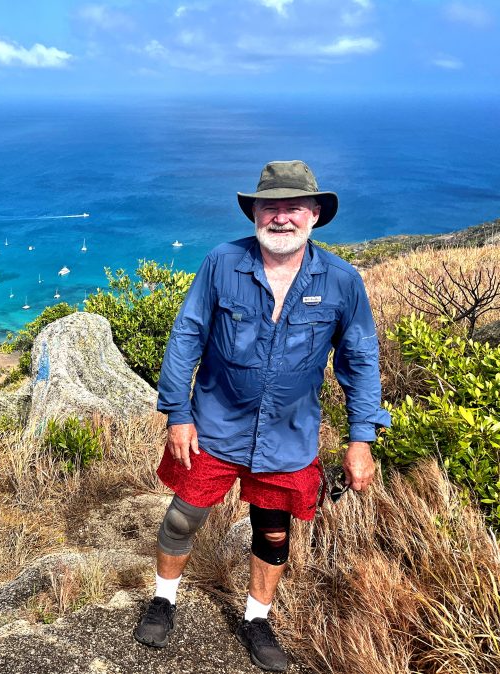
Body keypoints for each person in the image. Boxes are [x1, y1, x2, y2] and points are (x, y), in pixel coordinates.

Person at [134, 160, 391, 672]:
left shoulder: (342, 280)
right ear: (254, 212)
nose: (280, 218)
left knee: (273, 531)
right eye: (269, 206)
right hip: (213, 424)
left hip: (288, 436)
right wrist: (177, 412)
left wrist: (361, 440)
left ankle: (257, 618)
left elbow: (360, 358)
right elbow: (187, 335)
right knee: (183, 516)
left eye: (293, 207)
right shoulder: (221, 263)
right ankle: (163, 599)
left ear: (314, 214)